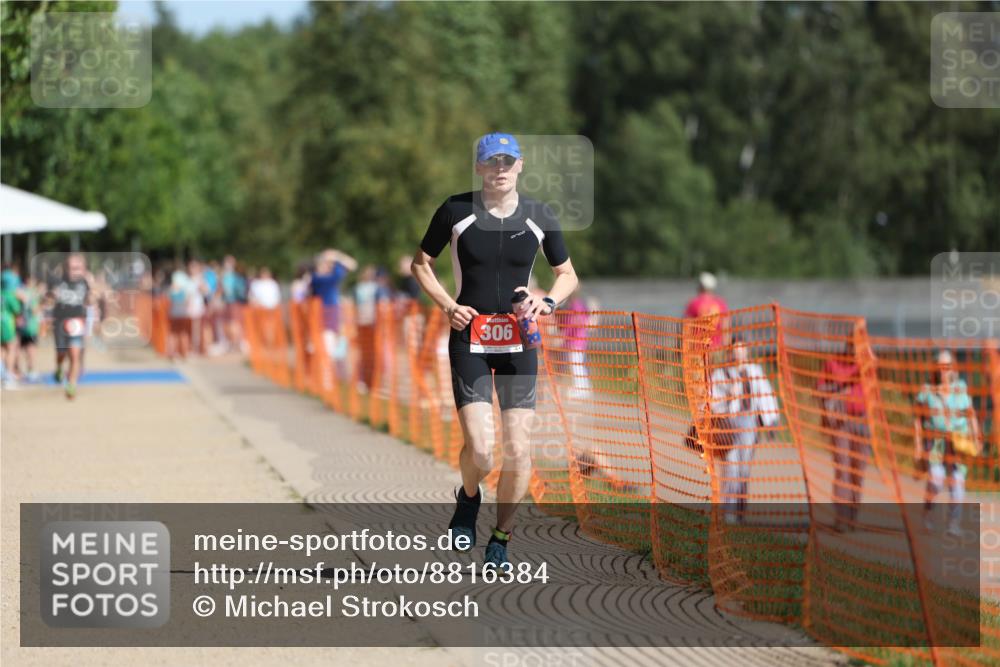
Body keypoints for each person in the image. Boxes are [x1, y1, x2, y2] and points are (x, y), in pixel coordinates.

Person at [411, 132, 578, 566]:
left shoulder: (540, 215)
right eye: (491, 161)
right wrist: (449, 305)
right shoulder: (456, 209)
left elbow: (567, 273)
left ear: (520, 165)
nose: (500, 168)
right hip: (471, 338)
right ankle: (469, 498)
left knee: (519, 449)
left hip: (519, 339)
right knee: (482, 450)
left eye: (507, 161)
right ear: (480, 167)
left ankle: (501, 537)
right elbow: (420, 264)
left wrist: (548, 302)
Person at [708, 339, 779, 524]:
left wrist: (770, 421)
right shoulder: (720, 374)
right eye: (735, 351)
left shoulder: (754, 371)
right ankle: (727, 511)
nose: (739, 355)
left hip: (749, 424)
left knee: (743, 469)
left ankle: (740, 511)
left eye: (742, 351)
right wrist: (728, 397)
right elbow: (712, 400)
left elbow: (765, 395)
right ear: (730, 353)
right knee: (731, 467)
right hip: (728, 424)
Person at [913, 350, 981, 536]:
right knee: (936, 480)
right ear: (936, 369)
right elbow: (917, 416)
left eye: (947, 367)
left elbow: (971, 414)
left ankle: (953, 524)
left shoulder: (961, 387)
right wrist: (918, 445)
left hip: (958, 443)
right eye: (940, 367)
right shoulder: (927, 390)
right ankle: (927, 513)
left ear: (952, 369)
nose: (944, 371)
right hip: (936, 444)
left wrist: (977, 437)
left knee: (957, 482)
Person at [818, 348, 870, 532]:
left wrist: (869, 357)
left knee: (858, 471)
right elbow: (820, 388)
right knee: (843, 468)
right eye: (854, 343)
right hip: (840, 421)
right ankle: (842, 515)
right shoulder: (833, 362)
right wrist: (837, 392)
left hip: (863, 422)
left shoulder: (866, 364)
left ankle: (853, 515)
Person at [47, 253, 95, 400]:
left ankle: (71, 385)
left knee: (75, 355)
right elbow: (49, 299)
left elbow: (91, 301)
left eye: (78, 268)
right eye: (72, 268)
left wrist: (92, 286)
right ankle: (59, 368)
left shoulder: (85, 283)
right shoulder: (58, 281)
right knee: (61, 353)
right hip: (60, 322)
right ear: (66, 268)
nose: (75, 271)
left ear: (84, 269)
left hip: (76, 322)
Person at [310, 248, 357, 376]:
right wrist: (336, 258)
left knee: (334, 347)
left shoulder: (325, 278)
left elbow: (352, 265)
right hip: (325, 317)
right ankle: (327, 378)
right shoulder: (319, 279)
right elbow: (345, 269)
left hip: (332, 317)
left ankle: (332, 376)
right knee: (327, 346)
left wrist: (336, 256)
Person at [16, 276, 42, 382]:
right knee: (31, 349)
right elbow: (35, 310)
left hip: (20, 325)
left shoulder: (19, 291)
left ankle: (16, 371)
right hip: (31, 326)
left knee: (16, 349)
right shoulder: (32, 293)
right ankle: (30, 371)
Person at [1, 267, 23, 389]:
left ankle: (3, 374)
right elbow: (17, 310)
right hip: (7, 323)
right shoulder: (10, 295)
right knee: (11, 347)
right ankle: (8, 376)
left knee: (2, 349)